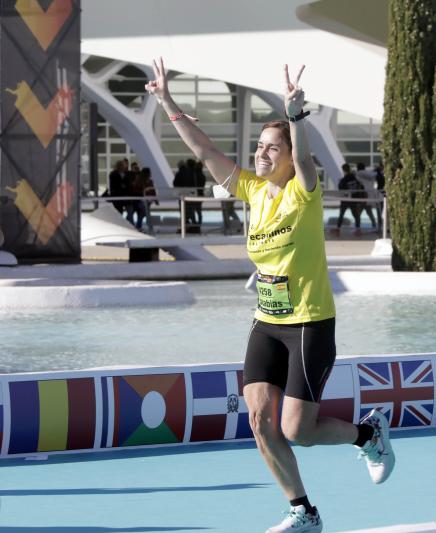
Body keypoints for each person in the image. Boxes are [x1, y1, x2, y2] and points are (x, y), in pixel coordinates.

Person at [146, 58, 395, 532]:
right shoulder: (252, 190)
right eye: (258, 146)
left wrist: (296, 116)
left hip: (308, 323)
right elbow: (204, 151)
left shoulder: (304, 192)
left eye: (270, 148)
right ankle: (303, 511)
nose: (261, 154)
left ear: (286, 154)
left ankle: (368, 433)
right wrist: (165, 100)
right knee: (260, 420)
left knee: (296, 430)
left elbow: (304, 160)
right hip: (267, 322)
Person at [335, 163, 365, 236]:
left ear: (343, 170)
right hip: (353, 199)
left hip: (346, 199)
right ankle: (358, 229)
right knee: (355, 214)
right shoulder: (354, 177)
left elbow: (340, 187)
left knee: (342, 214)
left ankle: (338, 229)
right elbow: (361, 186)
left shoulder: (344, 179)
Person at [355, 162, 379, 230]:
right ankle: (374, 226)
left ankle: (357, 228)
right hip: (369, 196)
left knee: (358, 213)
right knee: (369, 212)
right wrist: (377, 170)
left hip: (363, 196)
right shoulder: (370, 174)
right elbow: (373, 175)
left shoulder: (359, 173)